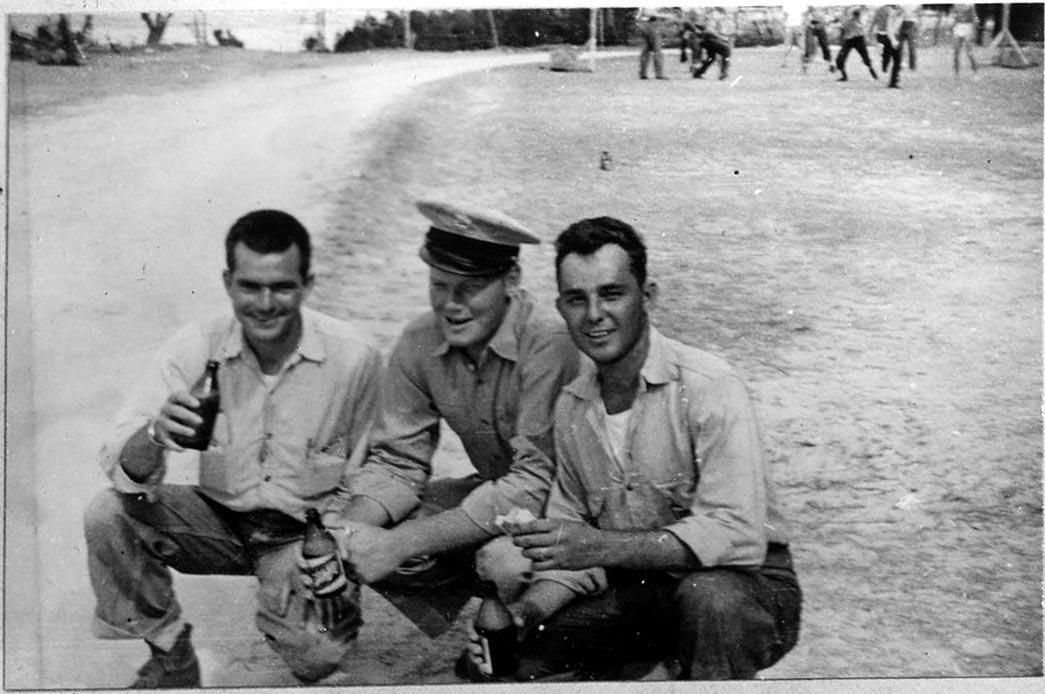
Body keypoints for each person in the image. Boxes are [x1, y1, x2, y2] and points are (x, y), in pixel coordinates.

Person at [461, 216, 802, 681]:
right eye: (576, 300)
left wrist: (600, 546)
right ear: (561, 308)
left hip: (748, 585)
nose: (594, 315)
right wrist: (528, 612)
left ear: (649, 296)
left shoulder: (708, 385)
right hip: (644, 591)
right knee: (520, 654)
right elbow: (571, 548)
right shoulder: (573, 407)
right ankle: (654, 668)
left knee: (711, 602)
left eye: (612, 294)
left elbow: (736, 535)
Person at [83, 210, 384, 687]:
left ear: (307, 284)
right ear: (228, 282)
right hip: (219, 521)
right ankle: (172, 657)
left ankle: (310, 614)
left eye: (282, 287)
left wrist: (337, 548)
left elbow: (380, 469)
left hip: (303, 535)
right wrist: (157, 435)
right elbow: (120, 461)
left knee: (317, 656)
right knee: (108, 514)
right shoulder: (196, 345)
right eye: (249, 287)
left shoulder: (354, 358)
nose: (265, 304)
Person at [331, 200, 580, 640]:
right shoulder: (419, 340)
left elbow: (535, 483)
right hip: (501, 499)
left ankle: (529, 646)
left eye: (470, 287)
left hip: (572, 509)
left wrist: (401, 544)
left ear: (512, 279)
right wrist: (351, 532)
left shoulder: (548, 340)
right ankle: (493, 612)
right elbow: (396, 461)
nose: (451, 305)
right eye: (439, 285)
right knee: (358, 522)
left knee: (505, 560)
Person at [835, 6, 879, 82]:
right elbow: (840, 22)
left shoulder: (858, 22)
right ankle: (844, 76)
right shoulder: (849, 21)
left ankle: (873, 72)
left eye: (857, 15)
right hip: (850, 40)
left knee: (865, 57)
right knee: (840, 58)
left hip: (858, 39)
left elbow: (863, 27)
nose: (855, 16)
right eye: (855, 14)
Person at [636, 7, 670, 80]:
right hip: (653, 25)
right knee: (657, 50)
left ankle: (643, 73)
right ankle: (659, 74)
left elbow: (639, 16)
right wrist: (664, 16)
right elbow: (650, 13)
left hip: (644, 24)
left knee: (645, 50)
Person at [803, 6, 836, 72]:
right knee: (808, 46)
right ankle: (805, 66)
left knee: (825, 46)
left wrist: (828, 22)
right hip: (811, 26)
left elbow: (829, 12)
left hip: (821, 26)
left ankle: (831, 65)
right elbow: (807, 12)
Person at [951, 4, 979, 76]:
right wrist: (953, 28)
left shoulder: (970, 4)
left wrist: (974, 31)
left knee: (969, 52)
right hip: (958, 26)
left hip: (968, 26)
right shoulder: (955, 4)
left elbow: (974, 17)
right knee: (956, 52)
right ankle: (956, 74)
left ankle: (975, 73)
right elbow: (954, 17)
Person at [896, 4, 920, 70]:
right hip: (903, 23)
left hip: (912, 24)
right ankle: (899, 64)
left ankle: (913, 67)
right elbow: (898, 10)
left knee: (911, 47)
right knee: (900, 46)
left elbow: (917, 9)